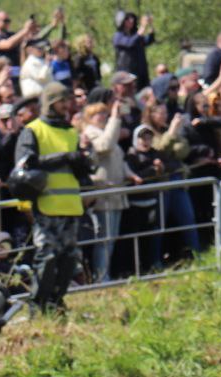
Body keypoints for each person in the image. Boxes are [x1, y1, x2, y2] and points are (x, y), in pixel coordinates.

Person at [17, 82, 88, 311]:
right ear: (51, 103)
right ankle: (38, 306)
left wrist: (82, 162)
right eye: (63, 101)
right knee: (46, 259)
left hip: (70, 206)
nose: (67, 106)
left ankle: (56, 303)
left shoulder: (70, 131)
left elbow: (77, 171)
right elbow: (26, 164)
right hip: (46, 205)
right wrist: (63, 157)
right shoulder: (33, 130)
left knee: (68, 261)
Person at [81, 101, 133, 283]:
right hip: (104, 193)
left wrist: (130, 174)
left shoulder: (106, 132)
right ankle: (101, 276)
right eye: (99, 114)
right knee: (104, 239)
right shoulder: (91, 133)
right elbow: (105, 146)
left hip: (116, 192)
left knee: (112, 237)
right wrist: (115, 119)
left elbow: (118, 157)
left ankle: (105, 273)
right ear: (89, 118)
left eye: (105, 113)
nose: (103, 117)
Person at [113, 11, 154, 89]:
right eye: (127, 19)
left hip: (142, 73)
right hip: (128, 74)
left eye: (132, 18)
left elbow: (148, 40)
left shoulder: (135, 35)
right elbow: (130, 43)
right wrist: (142, 26)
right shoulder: (118, 36)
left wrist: (150, 25)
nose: (131, 20)